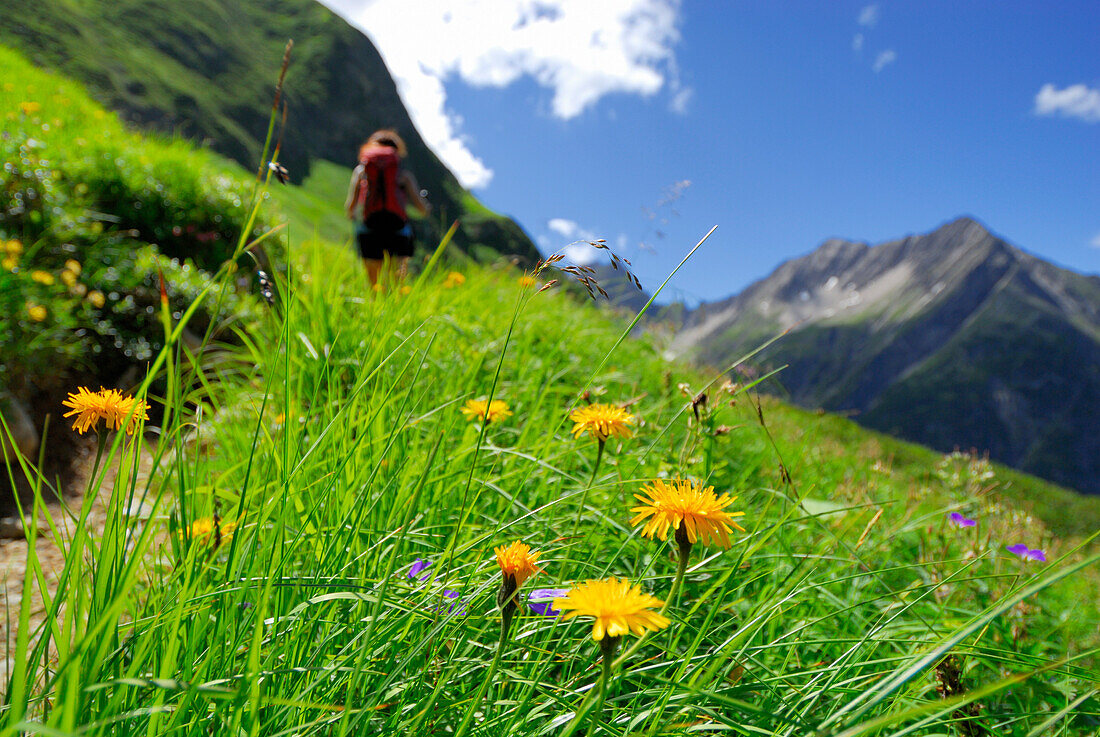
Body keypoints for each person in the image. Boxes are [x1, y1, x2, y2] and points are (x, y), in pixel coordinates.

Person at [345, 130, 430, 286]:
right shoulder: (402, 174)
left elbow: (350, 206)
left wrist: (353, 215)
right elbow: (422, 209)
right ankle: (395, 309)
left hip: (370, 228)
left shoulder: (361, 171)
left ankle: (374, 308)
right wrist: (426, 207)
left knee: (374, 286)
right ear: (397, 151)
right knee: (395, 284)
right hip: (397, 230)